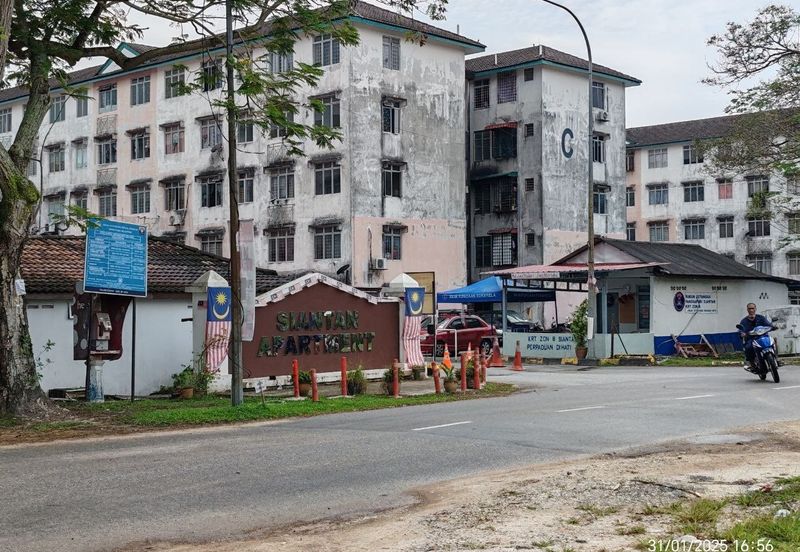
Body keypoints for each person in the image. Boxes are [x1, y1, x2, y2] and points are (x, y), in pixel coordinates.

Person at [738, 303, 773, 371]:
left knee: (773, 341)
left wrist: (773, 327)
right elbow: (740, 329)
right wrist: (742, 333)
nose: (751, 310)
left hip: (763, 336)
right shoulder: (744, 321)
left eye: (752, 308)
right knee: (748, 347)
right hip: (752, 339)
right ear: (747, 310)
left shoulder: (761, 318)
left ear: (755, 309)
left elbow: (768, 324)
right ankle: (752, 364)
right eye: (749, 308)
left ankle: (776, 359)